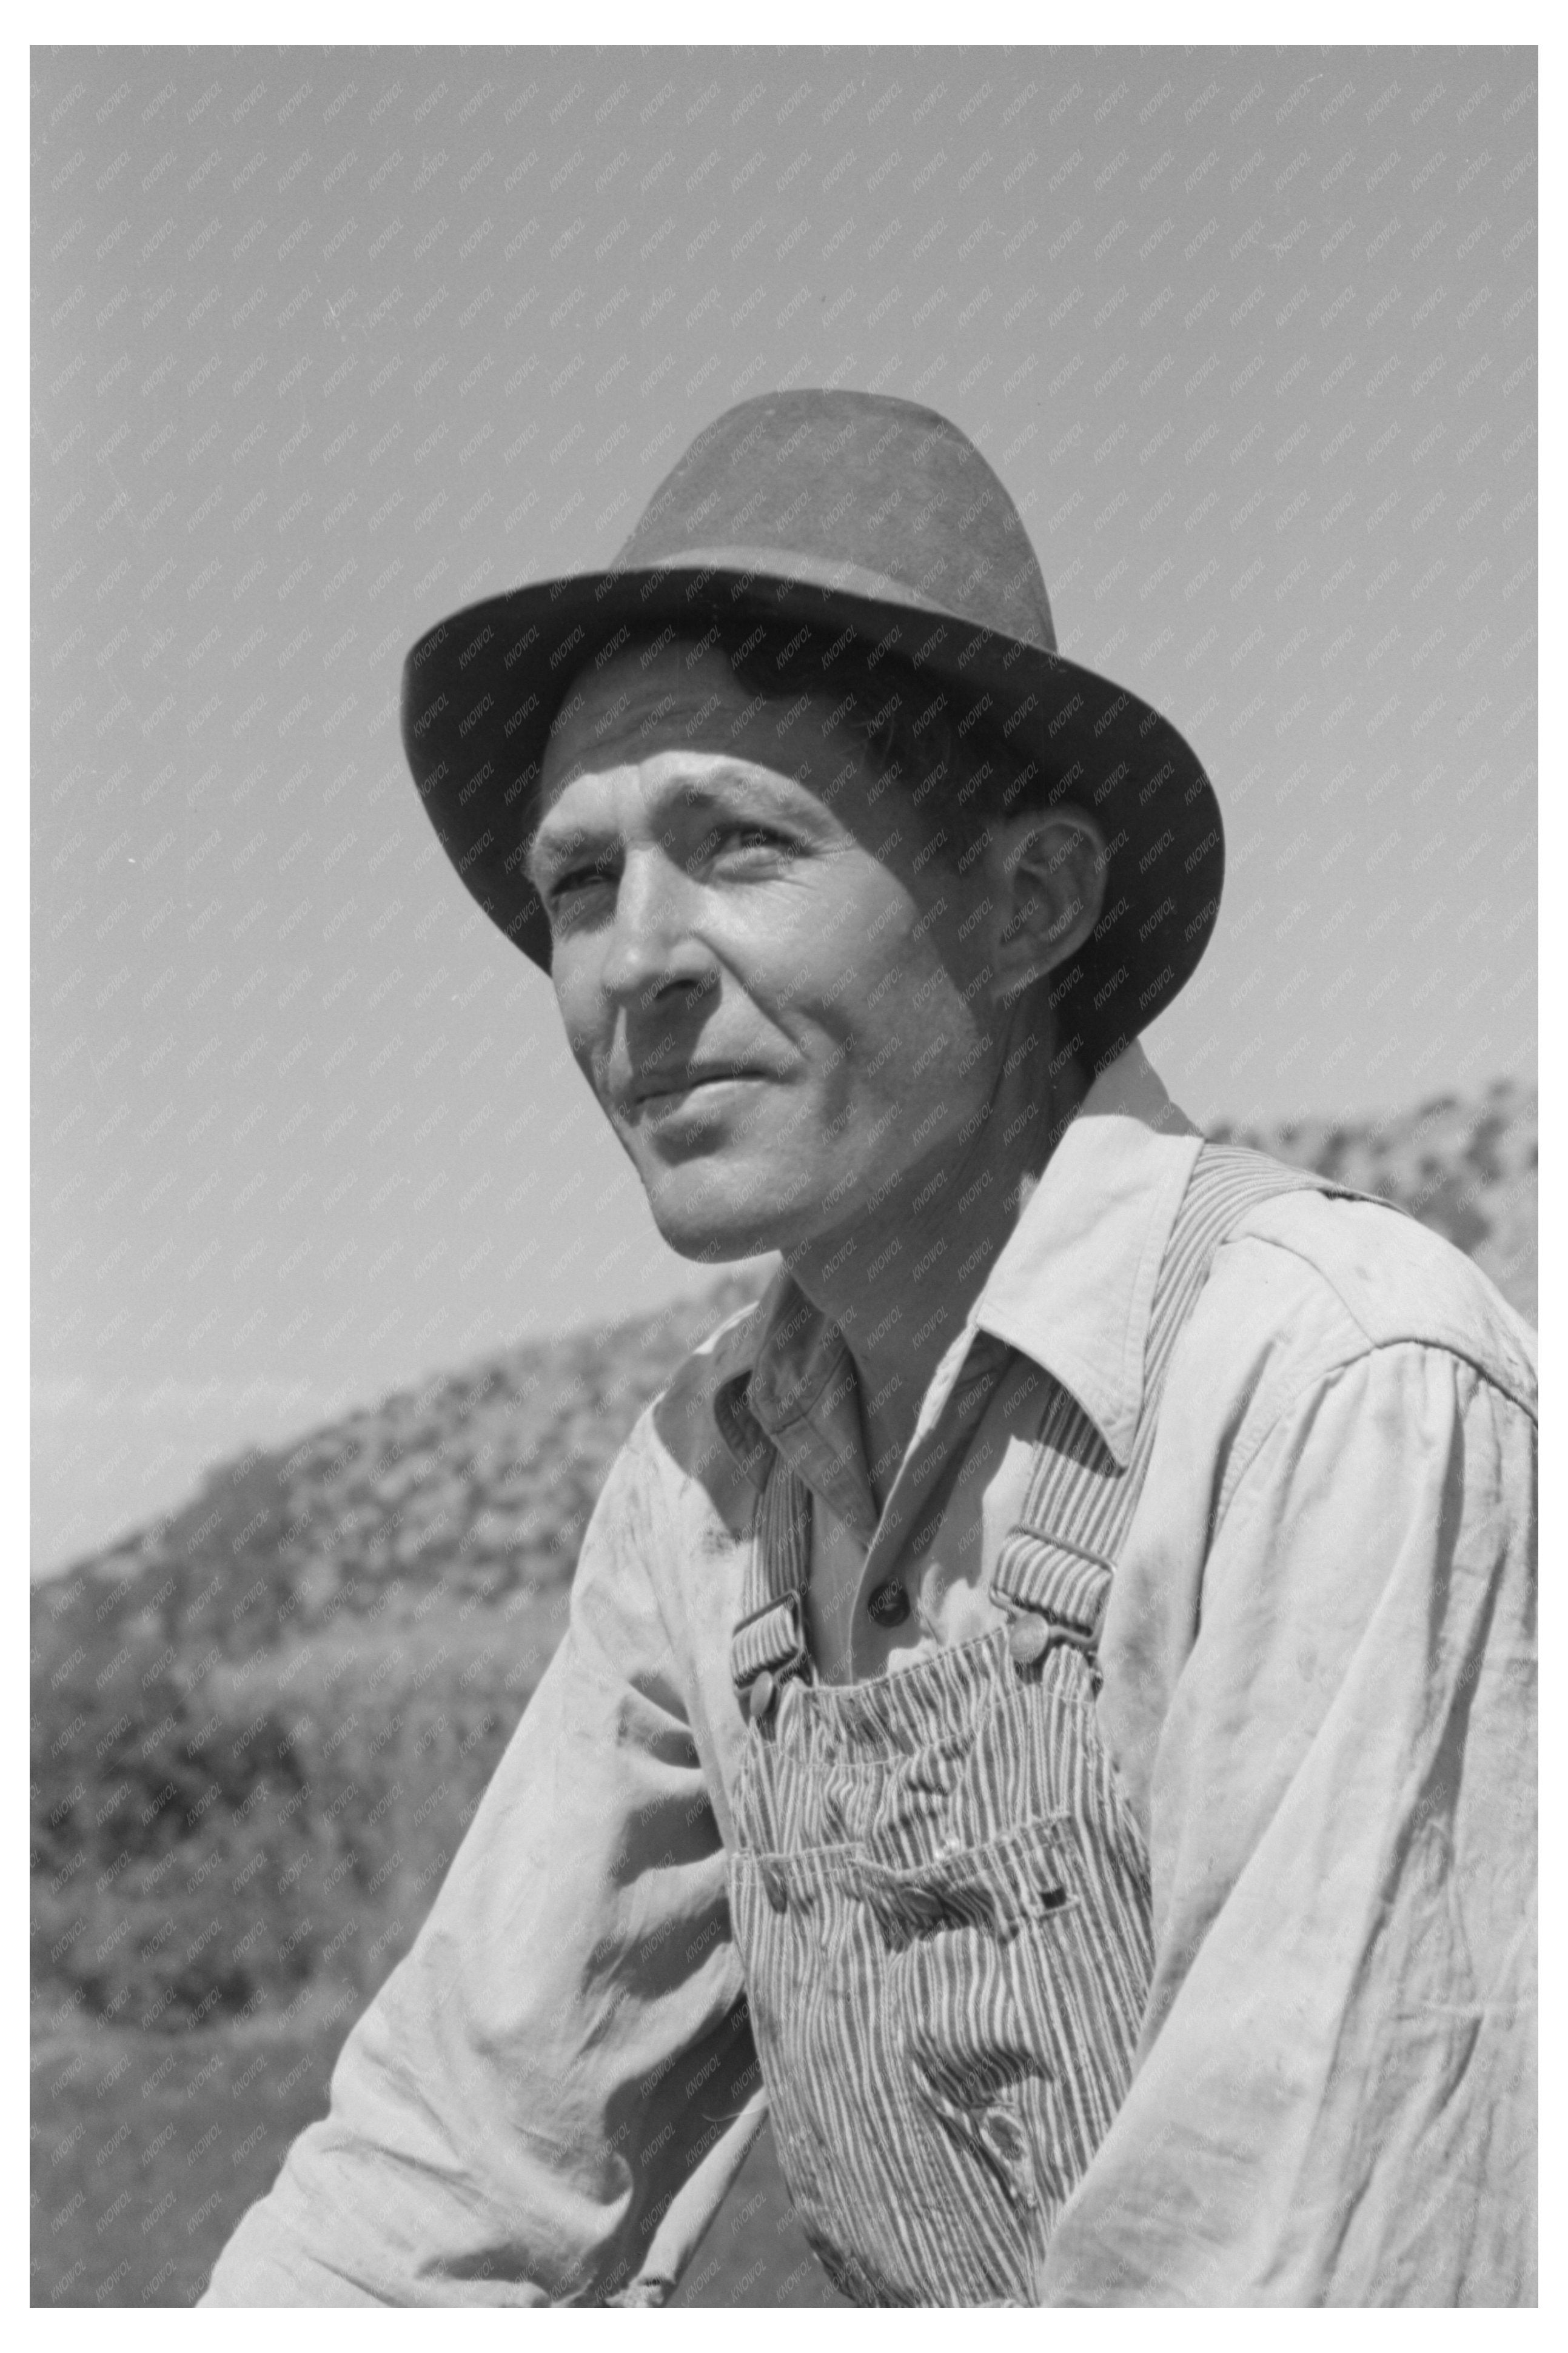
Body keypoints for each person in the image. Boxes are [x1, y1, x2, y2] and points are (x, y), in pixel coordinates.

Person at [203, 391, 1536, 2307]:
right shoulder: (703, 1486)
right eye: (581, 881)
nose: (631, 963)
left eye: (738, 844)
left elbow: (1295, 2264)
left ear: (1026, 901)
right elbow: (452, 2169)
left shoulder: (1330, 1395)